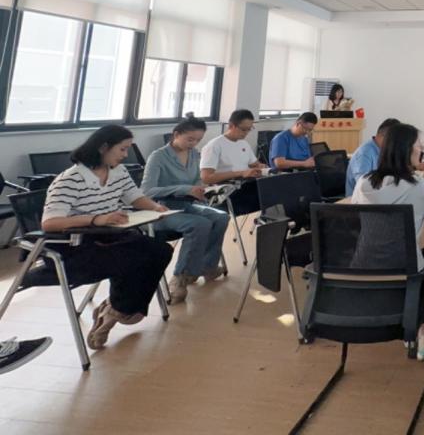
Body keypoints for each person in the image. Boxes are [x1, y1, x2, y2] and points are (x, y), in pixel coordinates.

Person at [41, 126, 174, 350]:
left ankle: (115, 309)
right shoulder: (70, 179)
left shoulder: (118, 171)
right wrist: (96, 219)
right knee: (133, 258)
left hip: (110, 236)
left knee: (160, 250)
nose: (125, 155)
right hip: (75, 246)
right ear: (103, 147)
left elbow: (134, 197)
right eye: (122, 149)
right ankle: (118, 311)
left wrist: (155, 207)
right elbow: (50, 223)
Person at [351, 123, 424, 359]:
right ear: (406, 150)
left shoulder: (363, 183)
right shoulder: (418, 187)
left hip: (364, 271)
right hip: (405, 274)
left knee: (423, 256)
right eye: (420, 146)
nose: (422, 150)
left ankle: (423, 332)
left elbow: (358, 217)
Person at [141, 116, 230, 304]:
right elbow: (147, 191)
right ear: (176, 135)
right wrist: (184, 189)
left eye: (198, 140)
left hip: (186, 205)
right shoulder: (158, 157)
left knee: (222, 217)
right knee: (199, 224)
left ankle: (208, 266)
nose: (194, 143)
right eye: (190, 139)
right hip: (160, 209)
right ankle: (181, 277)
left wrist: (203, 190)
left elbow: (196, 180)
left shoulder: (194, 155)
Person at [200, 109, 266, 224]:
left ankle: (271, 226)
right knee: (266, 194)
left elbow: (254, 164)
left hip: (245, 183)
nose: (246, 133)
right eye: (243, 129)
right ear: (231, 125)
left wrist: (262, 167)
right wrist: (241, 173)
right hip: (227, 189)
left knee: (273, 189)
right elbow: (206, 178)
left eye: (249, 129)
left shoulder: (243, 143)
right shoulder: (214, 145)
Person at [346, 118, 401, 197]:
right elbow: (363, 186)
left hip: (378, 195)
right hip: (360, 200)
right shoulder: (364, 154)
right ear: (383, 136)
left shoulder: (383, 150)